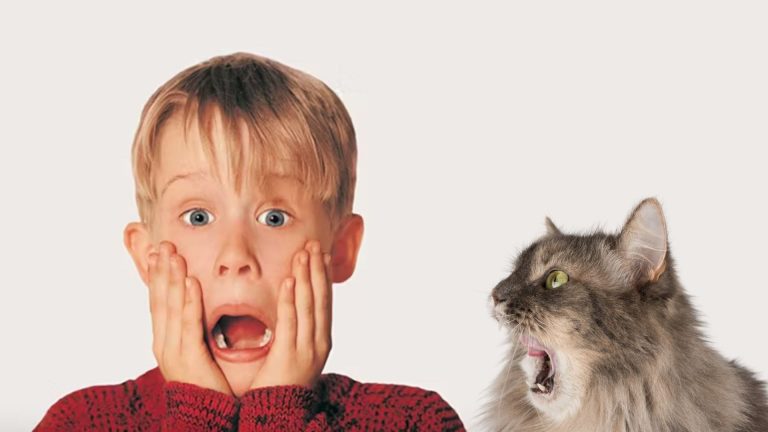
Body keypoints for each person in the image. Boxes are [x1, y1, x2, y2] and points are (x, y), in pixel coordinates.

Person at [35, 52, 465, 431]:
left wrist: (280, 413)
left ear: (341, 248)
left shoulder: (414, 421)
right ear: (148, 257)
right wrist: (194, 415)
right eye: (198, 217)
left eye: (274, 218)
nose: (236, 256)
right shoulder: (78, 422)